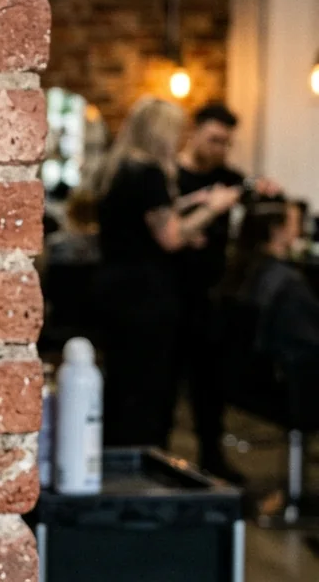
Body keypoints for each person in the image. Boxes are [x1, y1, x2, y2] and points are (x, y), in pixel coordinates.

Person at [90, 97, 241, 449]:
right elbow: (171, 237)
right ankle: (142, 460)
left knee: (123, 382)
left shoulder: (120, 169)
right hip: (144, 297)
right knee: (145, 389)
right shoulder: (149, 173)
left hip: (115, 289)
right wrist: (214, 208)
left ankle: (117, 456)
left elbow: (146, 217)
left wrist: (192, 202)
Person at [173, 103, 280, 481]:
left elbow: (257, 206)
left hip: (212, 297)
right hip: (170, 295)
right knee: (167, 383)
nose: (219, 149)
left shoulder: (229, 178)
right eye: (214, 139)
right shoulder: (172, 178)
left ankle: (211, 456)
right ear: (195, 131)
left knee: (210, 384)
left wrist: (265, 191)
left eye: (226, 143)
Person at [221, 199, 319, 365]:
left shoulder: (238, 271)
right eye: (295, 223)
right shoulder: (288, 283)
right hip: (286, 373)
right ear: (277, 230)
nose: (299, 231)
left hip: (245, 372)